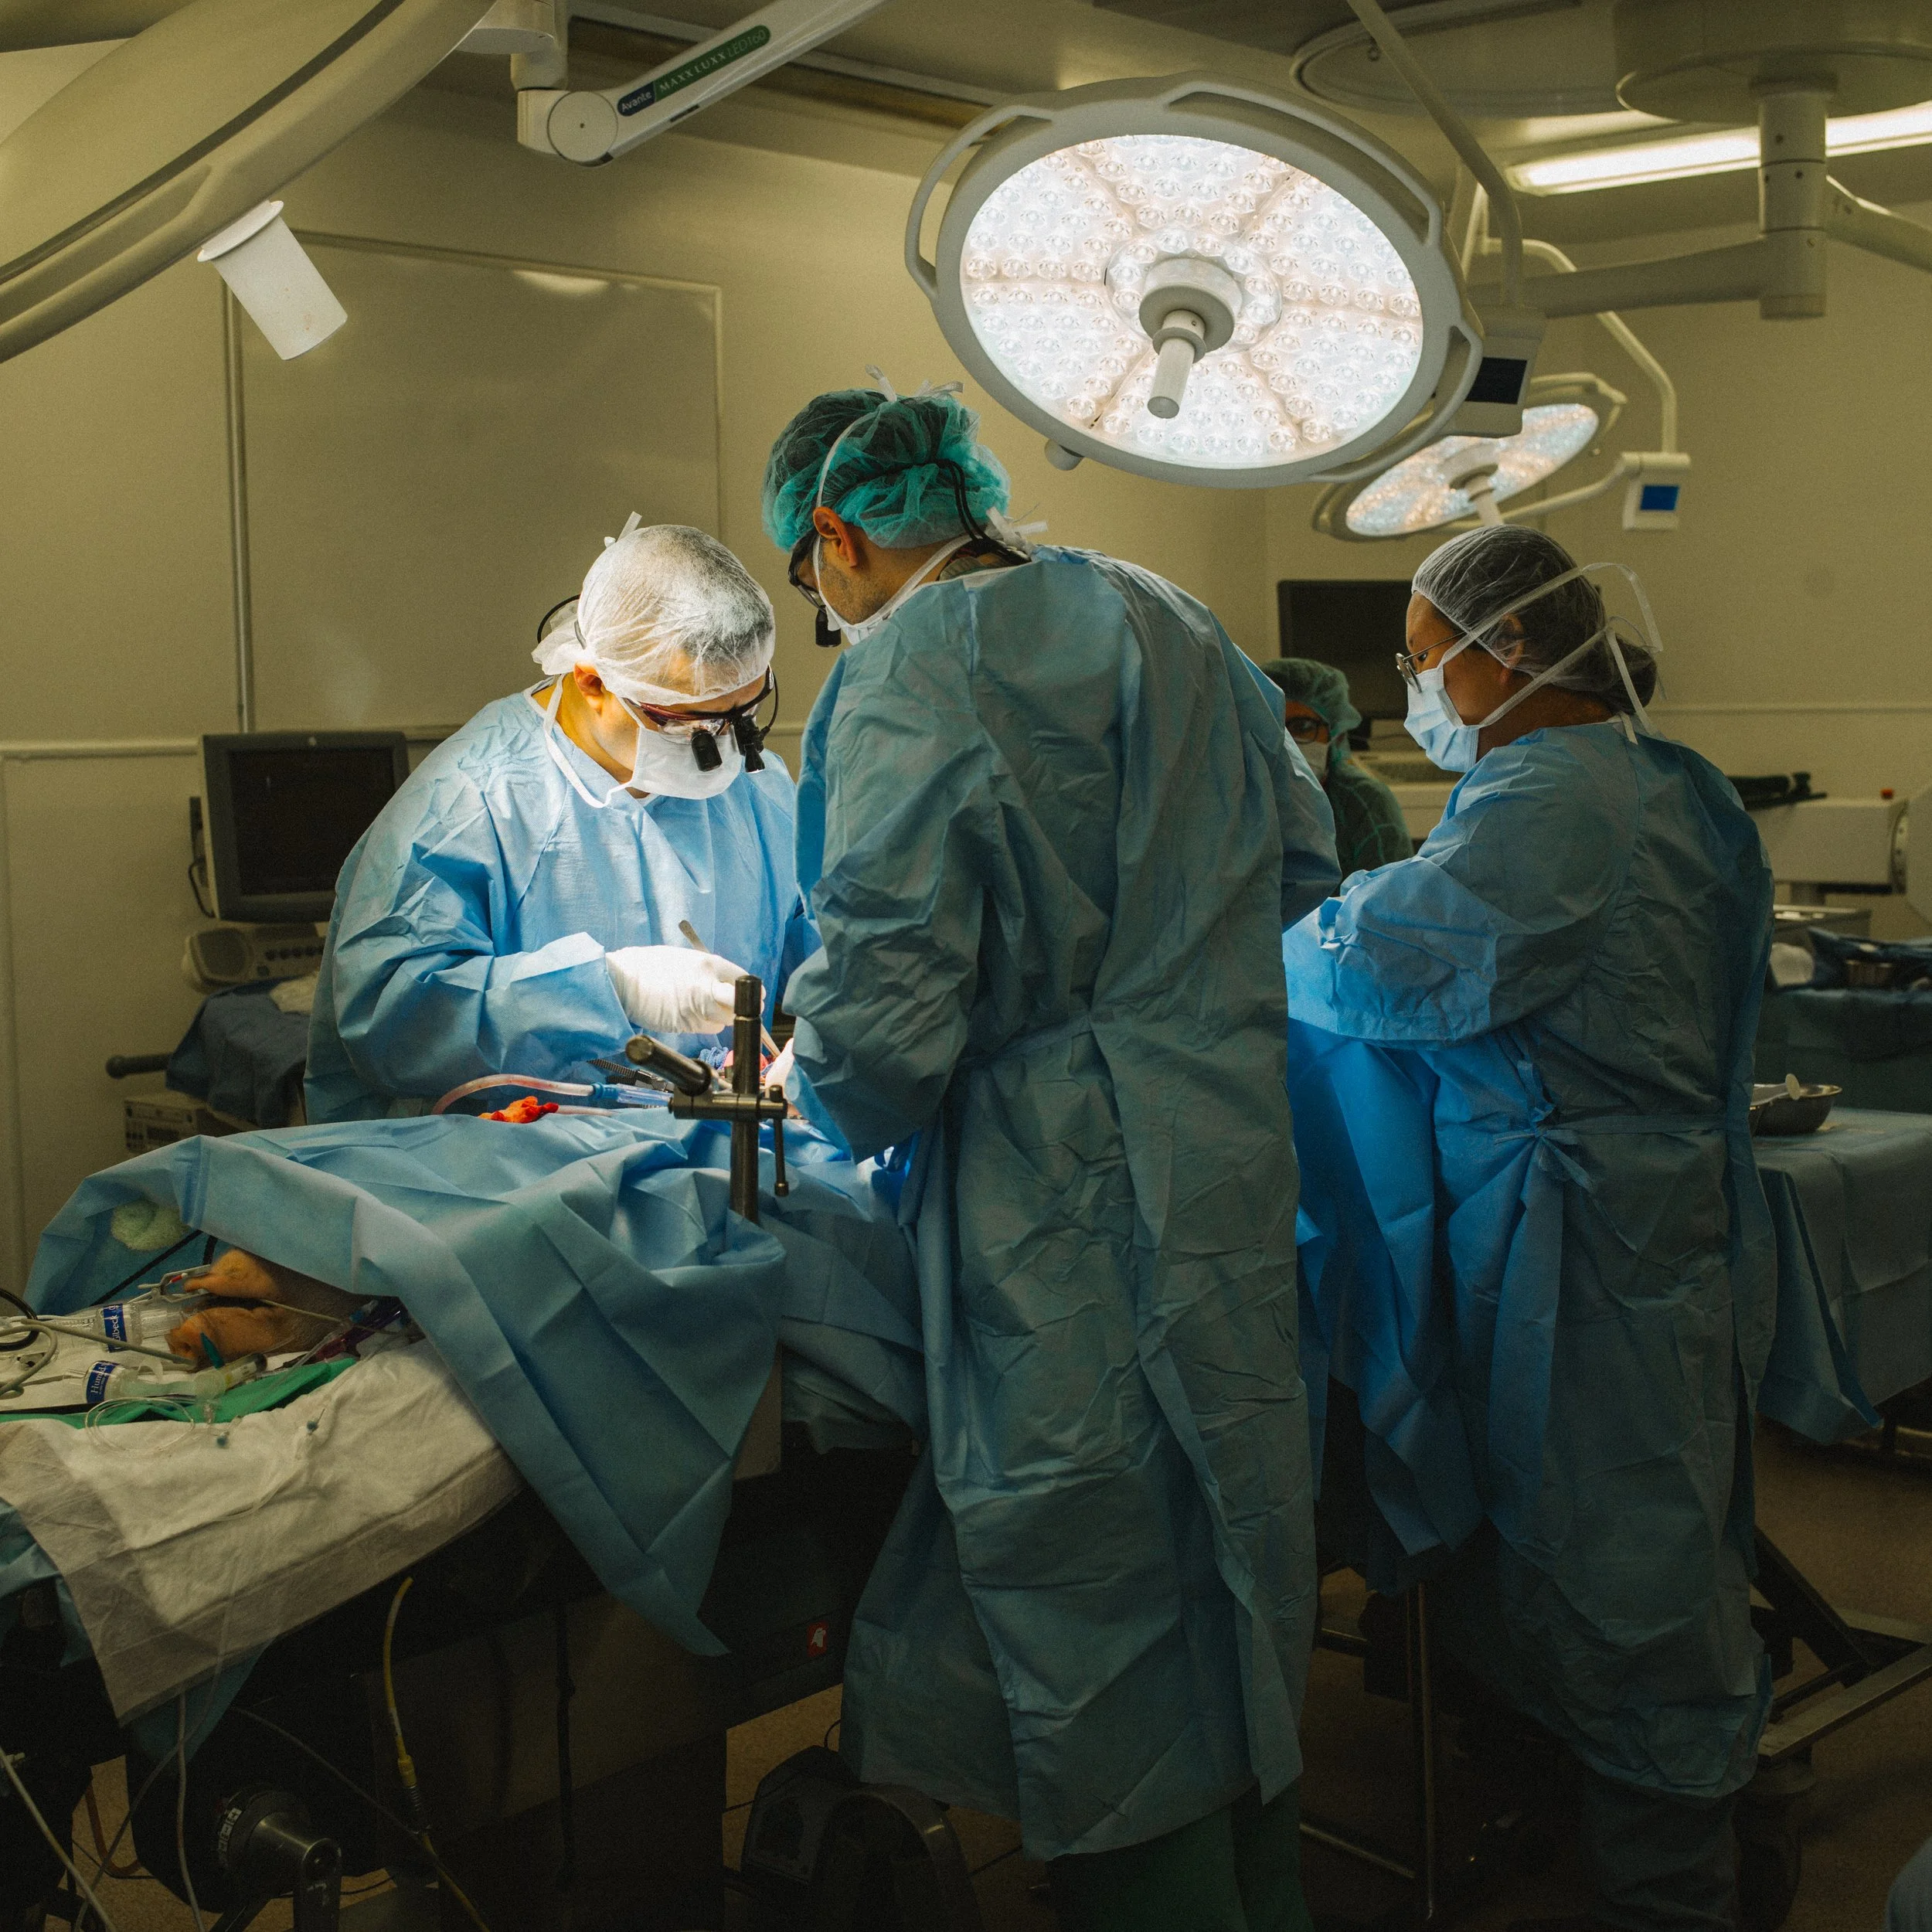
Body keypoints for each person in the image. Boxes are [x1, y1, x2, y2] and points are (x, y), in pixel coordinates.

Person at [759, 377, 1340, 1932]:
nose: (823, 609)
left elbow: (883, 1015)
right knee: (1231, 1554)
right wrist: (1167, 979)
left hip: (1059, 1188)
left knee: (1100, 1589)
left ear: (837, 536)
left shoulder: (907, 666)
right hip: (1220, 1148)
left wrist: (815, 1082)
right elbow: (1302, 854)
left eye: (811, 577)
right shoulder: (1168, 612)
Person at [1282, 525, 1775, 1932]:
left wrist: (1262, 946)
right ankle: (1619, 1814)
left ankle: (1675, 1888)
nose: (1416, 695)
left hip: (1587, 1247)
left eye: (1424, 663)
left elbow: (1394, 961)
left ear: (1505, 651)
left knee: (1623, 1570)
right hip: (1627, 1224)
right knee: (1611, 1537)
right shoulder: (1667, 779)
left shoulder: (1551, 794)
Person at [307, 521, 818, 1121]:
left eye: (742, 713)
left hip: (709, 1144)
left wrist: (827, 1046)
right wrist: (608, 988)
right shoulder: (470, 802)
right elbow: (391, 1024)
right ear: (594, 682)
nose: (725, 747)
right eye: (689, 724)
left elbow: (832, 943)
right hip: (508, 1156)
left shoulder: (755, 792)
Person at [1259, 657, 1412, 879]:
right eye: (1273, 724)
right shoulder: (1237, 800)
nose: (1287, 741)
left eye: (1302, 727)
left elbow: (1390, 892)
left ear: (1336, 735)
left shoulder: (1363, 804)